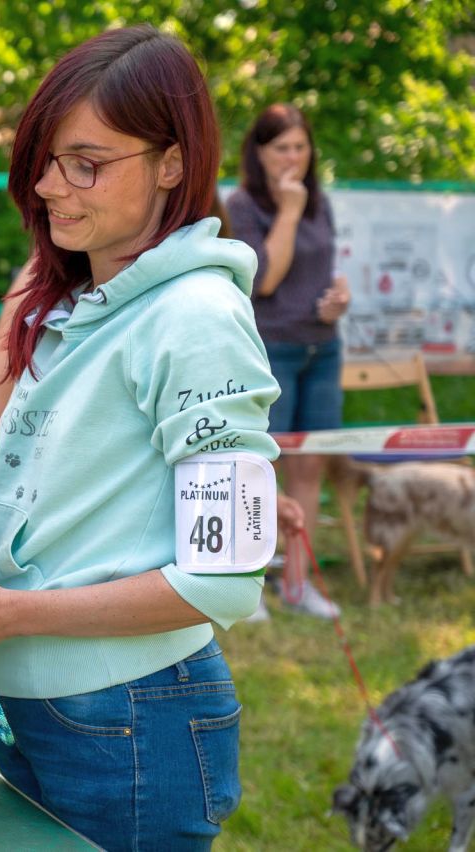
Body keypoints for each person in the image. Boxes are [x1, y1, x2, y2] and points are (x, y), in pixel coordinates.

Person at [0, 26, 282, 850]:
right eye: (44, 163)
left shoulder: (197, 320)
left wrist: (18, 614)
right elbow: (37, 505)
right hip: (47, 711)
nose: (47, 188)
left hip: (135, 714)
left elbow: (224, 581)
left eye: (85, 164)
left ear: (172, 163)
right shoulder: (86, 310)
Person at [226, 104, 350, 620]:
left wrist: (339, 297)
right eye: (282, 148)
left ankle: (298, 585)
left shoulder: (319, 202)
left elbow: (321, 270)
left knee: (310, 465)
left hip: (323, 346)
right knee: (258, 467)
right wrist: (290, 209)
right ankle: (245, 588)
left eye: (301, 147)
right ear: (259, 153)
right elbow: (266, 280)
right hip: (270, 348)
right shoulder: (243, 206)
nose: (294, 158)